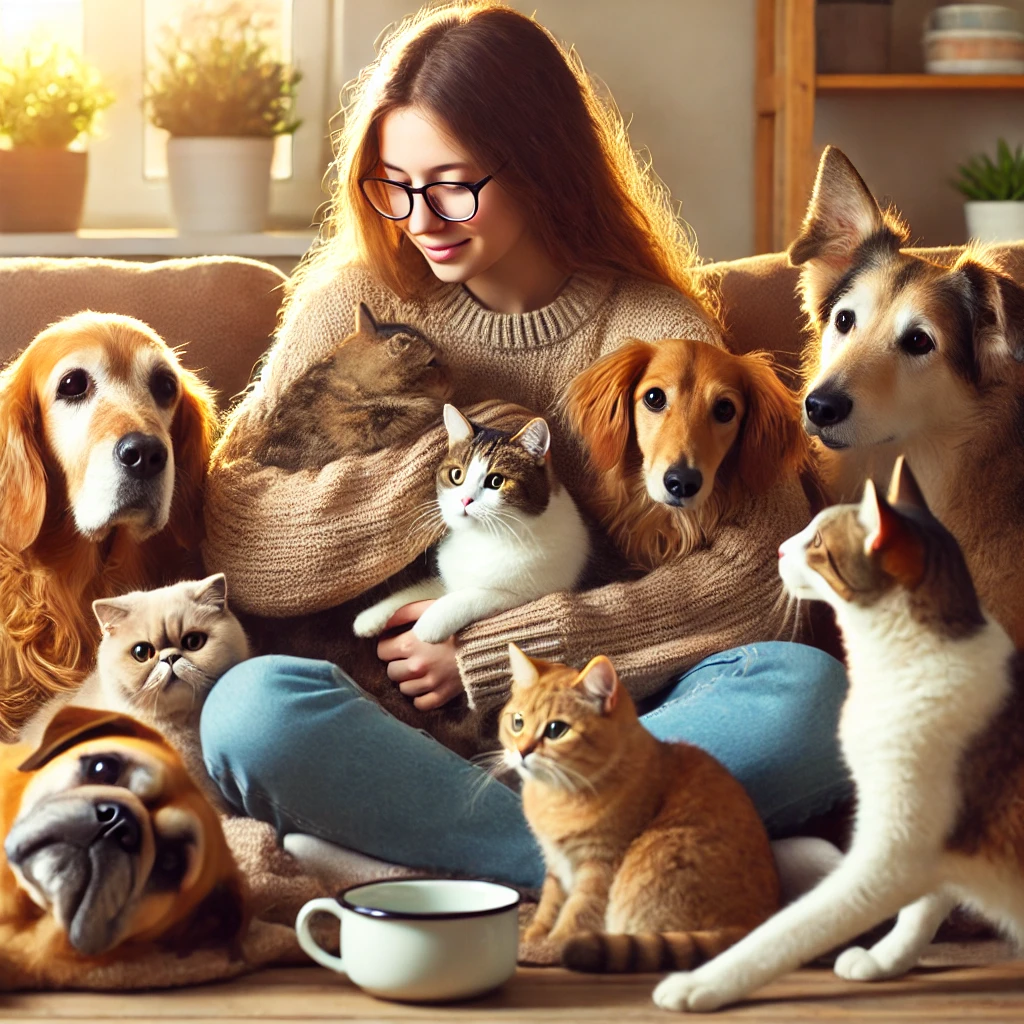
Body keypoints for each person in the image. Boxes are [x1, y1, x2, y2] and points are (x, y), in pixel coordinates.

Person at [200, 0, 849, 890]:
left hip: (611, 729)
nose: (421, 217)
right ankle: (667, 860)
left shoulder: (650, 327)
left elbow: (758, 581)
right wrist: (445, 459)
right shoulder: (356, 302)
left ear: (542, 164)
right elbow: (239, 531)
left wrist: (503, 647)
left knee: (804, 695)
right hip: (397, 737)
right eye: (394, 184)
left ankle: (430, 859)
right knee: (250, 712)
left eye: (453, 183)